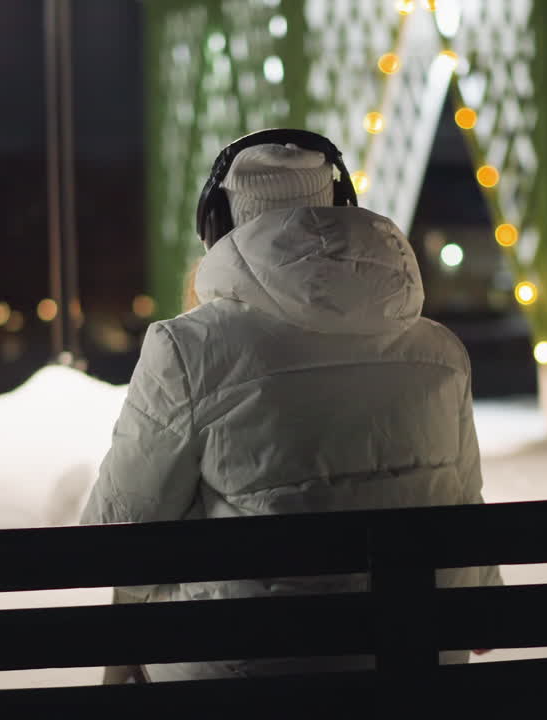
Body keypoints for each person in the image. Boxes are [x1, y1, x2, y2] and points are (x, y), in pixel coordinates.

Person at [82, 129, 500, 683]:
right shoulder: (441, 353)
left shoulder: (189, 348)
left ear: (217, 227)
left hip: (251, 686)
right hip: (415, 674)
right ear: (340, 206)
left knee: (135, 603)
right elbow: (468, 527)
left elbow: (111, 544)